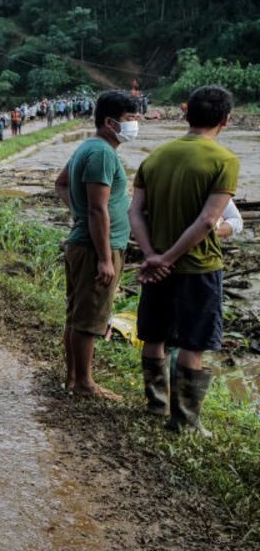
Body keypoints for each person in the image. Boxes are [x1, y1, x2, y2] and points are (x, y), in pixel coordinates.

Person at [130, 86, 239, 436]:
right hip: (199, 268)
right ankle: (185, 421)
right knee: (193, 343)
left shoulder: (156, 157)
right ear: (225, 120)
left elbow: (135, 211)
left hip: (156, 269)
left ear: (185, 114)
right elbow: (209, 221)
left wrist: (152, 256)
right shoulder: (224, 160)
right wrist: (170, 257)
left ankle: (154, 406)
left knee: (154, 337)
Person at [53, 91, 140, 401]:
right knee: (89, 318)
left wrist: (76, 212)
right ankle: (84, 383)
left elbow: (61, 183)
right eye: (130, 119)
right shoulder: (103, 153)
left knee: (77, 315)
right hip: (95, 248)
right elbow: (97, 208)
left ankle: (73, 379)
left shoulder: (87, 147)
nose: (135, 124)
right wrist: (105, 258)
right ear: (109, 122)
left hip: (85, 242)